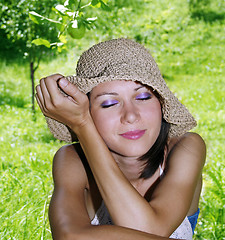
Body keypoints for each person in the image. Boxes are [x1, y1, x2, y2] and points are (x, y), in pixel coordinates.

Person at [35, 38, 206, 240]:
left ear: (161, 103)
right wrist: (81, 125)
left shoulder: (186, 147)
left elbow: (152, 230)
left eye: (143, 97)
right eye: (109, 103)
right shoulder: (72, 160)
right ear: (87, 111)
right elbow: (68, 235)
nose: (131, 116)